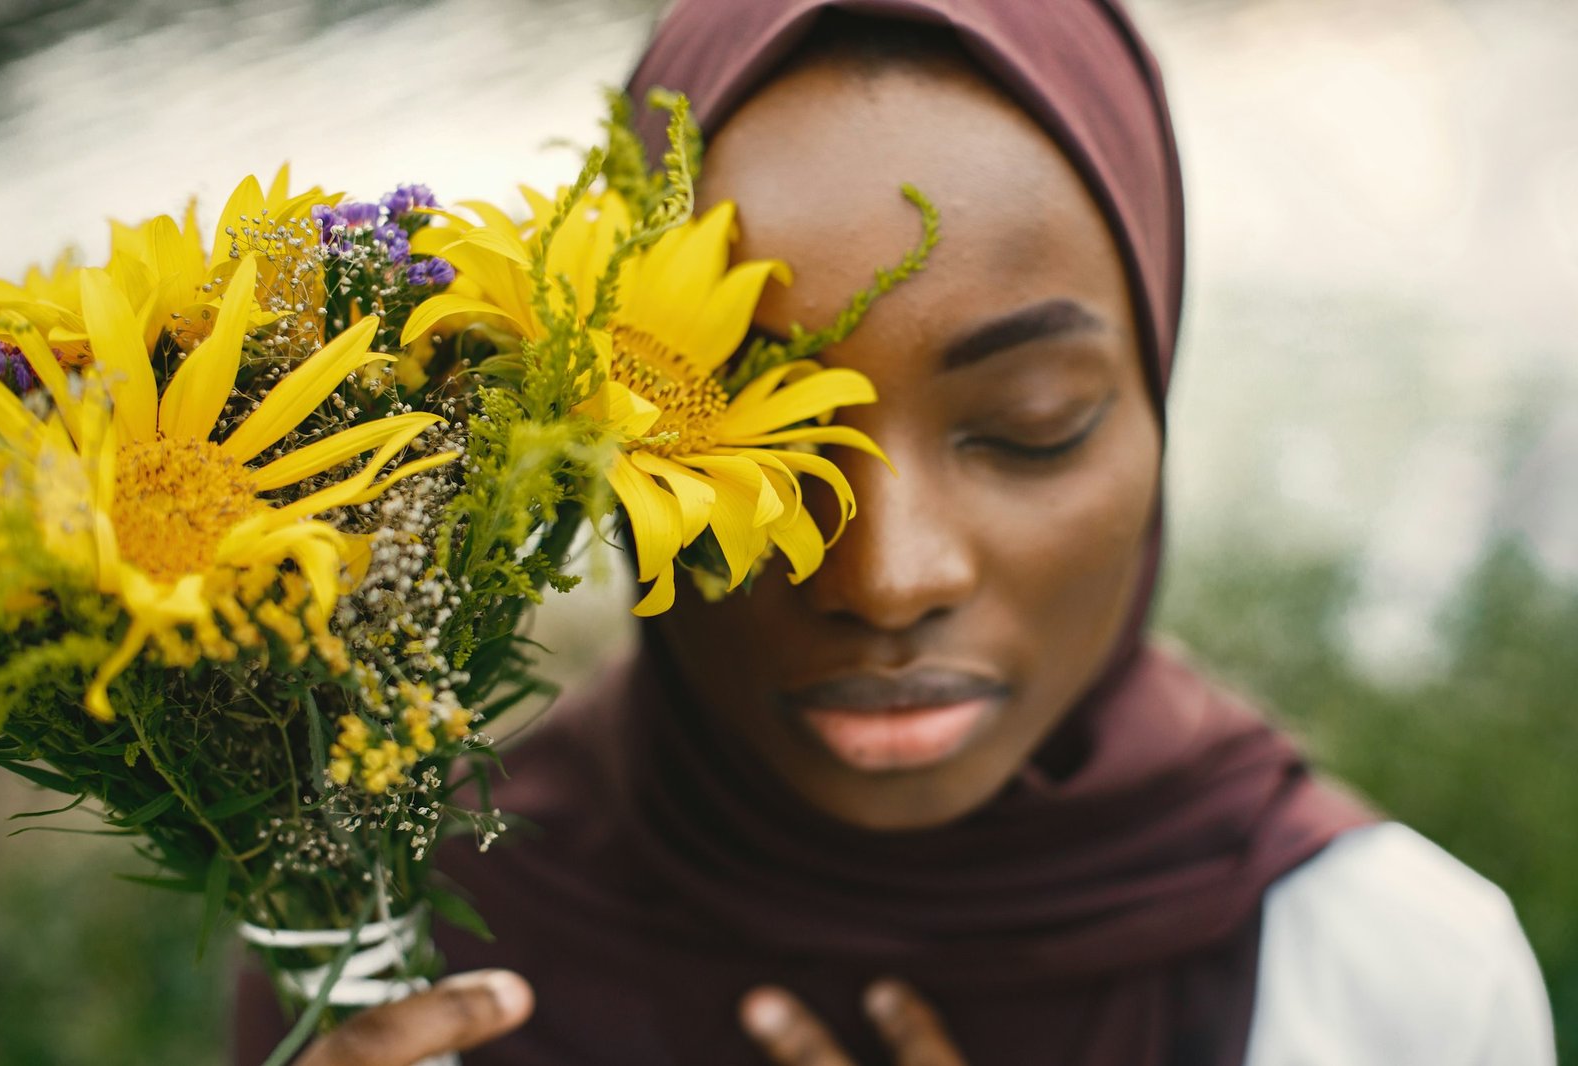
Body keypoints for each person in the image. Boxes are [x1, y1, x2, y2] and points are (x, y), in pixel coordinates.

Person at [239, 1, 1556, 1063]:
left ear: (1157, 392)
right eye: (761, 434)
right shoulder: (377, 952)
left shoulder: (1397, 984)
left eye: (1031, 424)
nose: (886, 575)